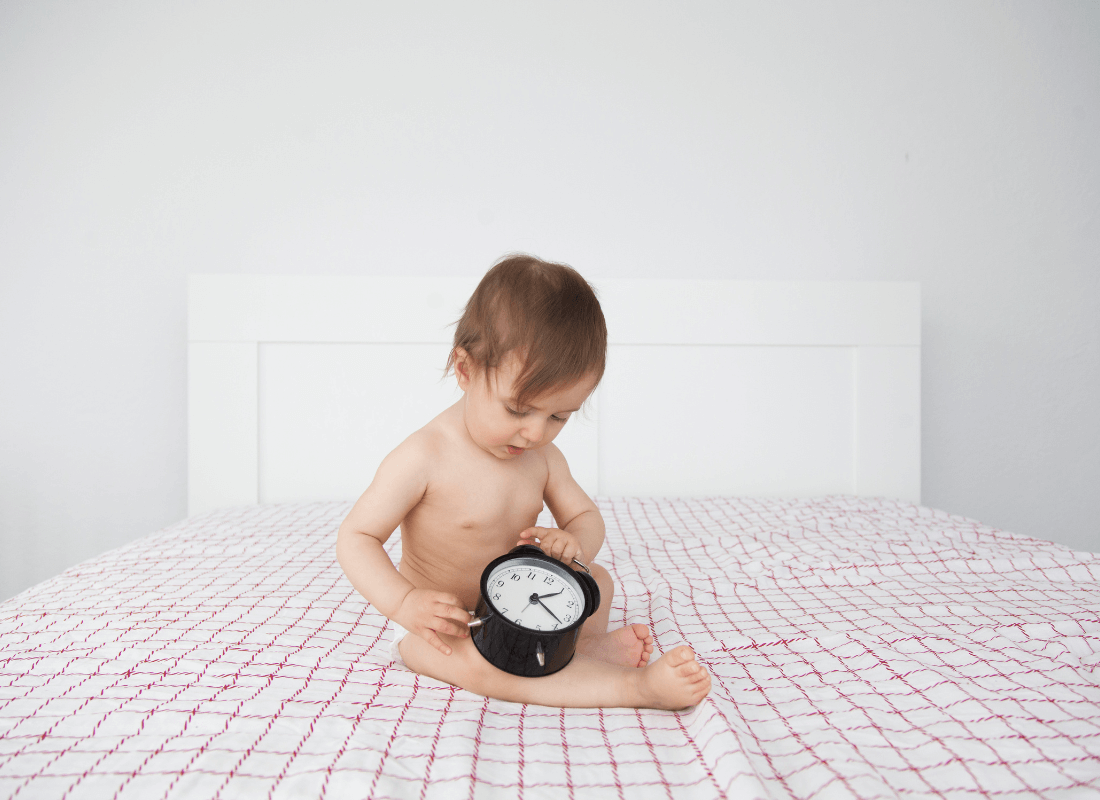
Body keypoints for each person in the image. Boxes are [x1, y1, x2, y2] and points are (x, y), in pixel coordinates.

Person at [336, 255, 711, 709]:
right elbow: (356, 537)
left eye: (558, 416)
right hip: (450, 621)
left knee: (600, 581)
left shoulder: (542, 458)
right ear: (465, 370)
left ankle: (580, 649)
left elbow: (585, 516)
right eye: (518, 410)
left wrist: (573, 543)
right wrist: (405, 604)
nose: (535, 433)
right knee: (480, 667)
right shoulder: (424, 456)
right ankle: (635, 688)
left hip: (526, 604)